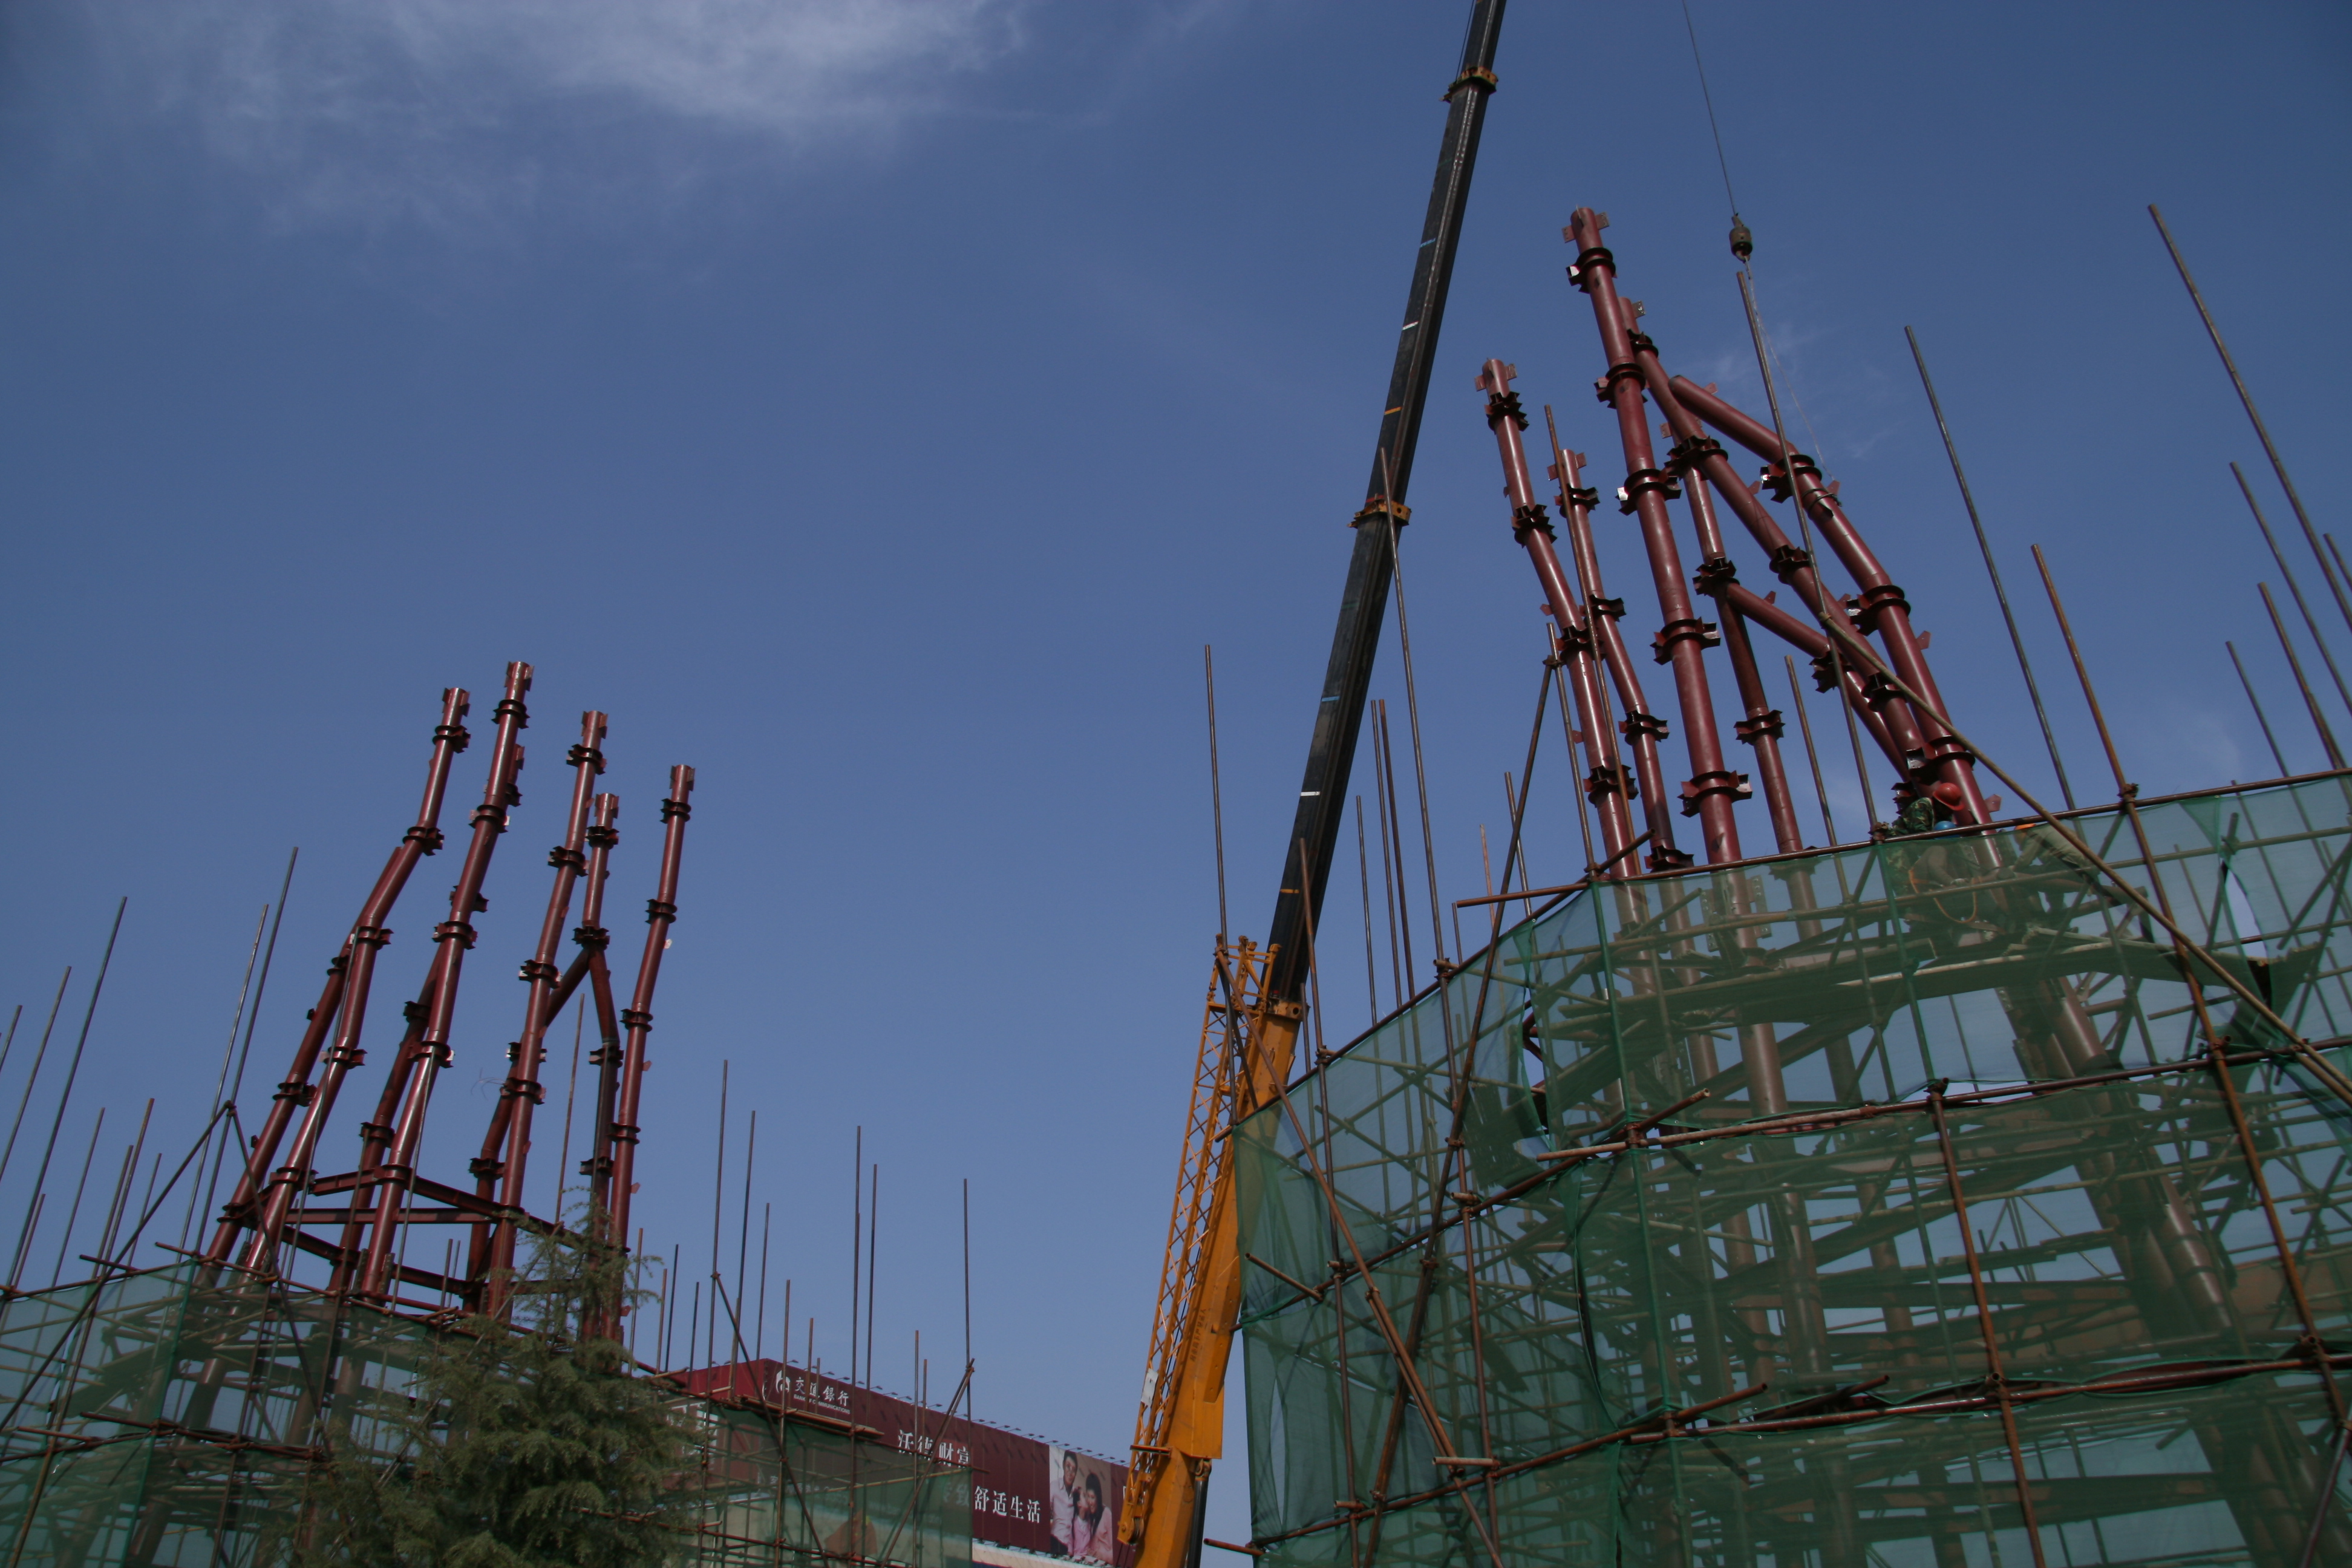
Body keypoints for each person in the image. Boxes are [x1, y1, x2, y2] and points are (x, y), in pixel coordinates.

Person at [1071, 1472, 1114, 1564]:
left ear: (1098, 1498)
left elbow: (1116, 1553)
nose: (1090, 1502)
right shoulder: (1088, 1515)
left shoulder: (1107, 1514)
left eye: (1093, 1498)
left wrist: (1102, 1556)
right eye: (1088, 1497)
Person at [1049, 1449, 1082, 1556]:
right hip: (1055, 1540)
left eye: (1074, 1469)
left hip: (1070, 1548)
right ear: (1063, 1466)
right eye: (1068, 1467)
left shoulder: (1077, 1494)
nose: (1070, 1472)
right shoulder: (1054, 1486)